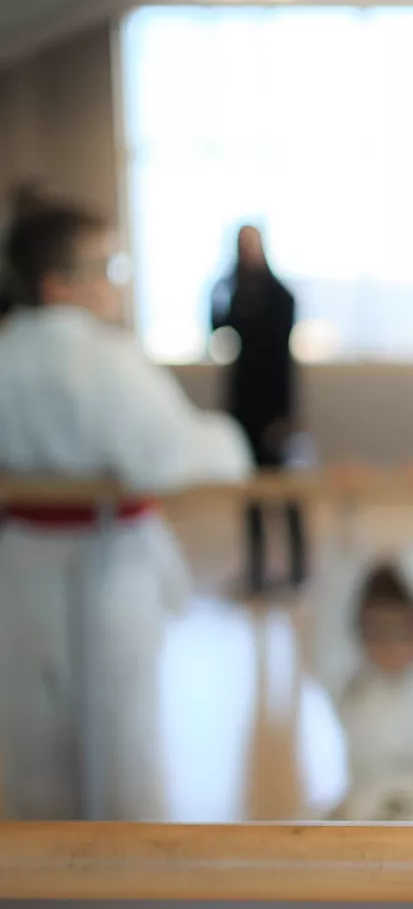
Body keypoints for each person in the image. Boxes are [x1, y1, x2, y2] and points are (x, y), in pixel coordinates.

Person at [0, 196, 251, 819]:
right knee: (118, 739)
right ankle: (117, 895)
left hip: (22, 564)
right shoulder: (101, 359)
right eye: (104, 266)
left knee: (32, 739)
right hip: (106, 568)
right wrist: (227, 444)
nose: (115, 283)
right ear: (58, 284)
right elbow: (167, 454)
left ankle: (41, 896)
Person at [307, 462, 413, 822]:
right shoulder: (352, 682)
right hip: (362, 808)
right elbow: (334, 605)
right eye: (377, 633)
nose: (389, 646)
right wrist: (348, 507)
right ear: (360, 634)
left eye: (402, 632)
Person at [212, 224, 305, 594]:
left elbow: (281, 358)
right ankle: (255, 570)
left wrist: (286, 415)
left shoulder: (278, 295)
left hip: (274, 406)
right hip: (242, 405)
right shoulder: (232, 290)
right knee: (248, 491)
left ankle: (297, 570)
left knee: (285, 489)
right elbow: (219, 331)